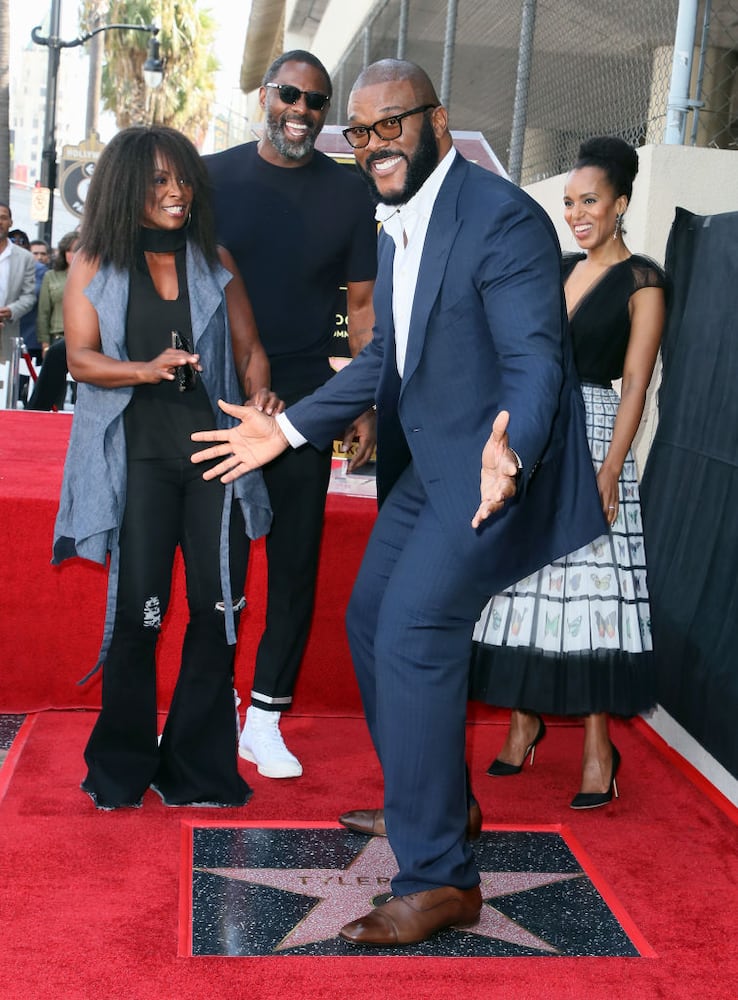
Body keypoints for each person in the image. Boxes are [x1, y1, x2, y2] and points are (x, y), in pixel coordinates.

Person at [190, 59, 605, 946]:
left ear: (438, 121)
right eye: (364, 132)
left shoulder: (503, 220)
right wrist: (290, 429)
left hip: (491, 471)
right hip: (428, 470)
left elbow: (538, 361)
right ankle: (437, 806)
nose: (377, 144)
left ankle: (443, 878)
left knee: (416, 631)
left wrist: (513, 449)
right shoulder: (391, 222)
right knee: (372, 622)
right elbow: (388, 361)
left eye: (394, 125)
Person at [52, 125, 275, 810]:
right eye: (158, 181)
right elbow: (79, 359)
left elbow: (252, 352)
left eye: (182, 179)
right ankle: (120, 767)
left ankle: (196, 767)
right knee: (139, 617)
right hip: (142, 461)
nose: (176, 192)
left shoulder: (215, 260)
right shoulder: (94, 262)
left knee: (216, 613)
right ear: (126, 187)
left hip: (216, 459)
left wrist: (262, 392)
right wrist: (144, 370)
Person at [469, 137, 667, 809]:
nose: (577, 214)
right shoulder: (554, 268)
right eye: (569, 203)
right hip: (540, 428)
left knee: (591, 593)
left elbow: (637, 382)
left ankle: (596, 747)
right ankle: (524, 720)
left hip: (599, 433)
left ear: (621, 204)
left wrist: (611, 470)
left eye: (590, 201)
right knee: (527, 580)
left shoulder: (643, 280)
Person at [203, 50, 377, 779]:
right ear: (265, 95)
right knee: (220, 560)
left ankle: (266, 717)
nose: (302, 111)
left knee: (296, 563)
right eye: (290, 95)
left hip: (307, 402)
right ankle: (210, 709)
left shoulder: (350, 195)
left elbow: (363, 308)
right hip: (220, 392)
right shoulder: (210, 177)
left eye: (316, 100)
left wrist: (364, 401)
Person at [26, 231, 80, 411]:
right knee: (55, 390)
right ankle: (35, 415)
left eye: (80, 249)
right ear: (64, 252)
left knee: (80, 392)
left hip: (84, 336)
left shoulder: (94, 274)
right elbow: (43, 312)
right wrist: (44, 343)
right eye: (72, 250)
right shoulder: (53, 276)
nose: (76, 254)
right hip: (58, 336)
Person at [0, 202, 36, 367]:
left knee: (3, 385)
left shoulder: (25, 258)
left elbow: (29, 296)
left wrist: (11, 310)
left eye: (3, 218)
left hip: (8, 331)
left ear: (10, 222)